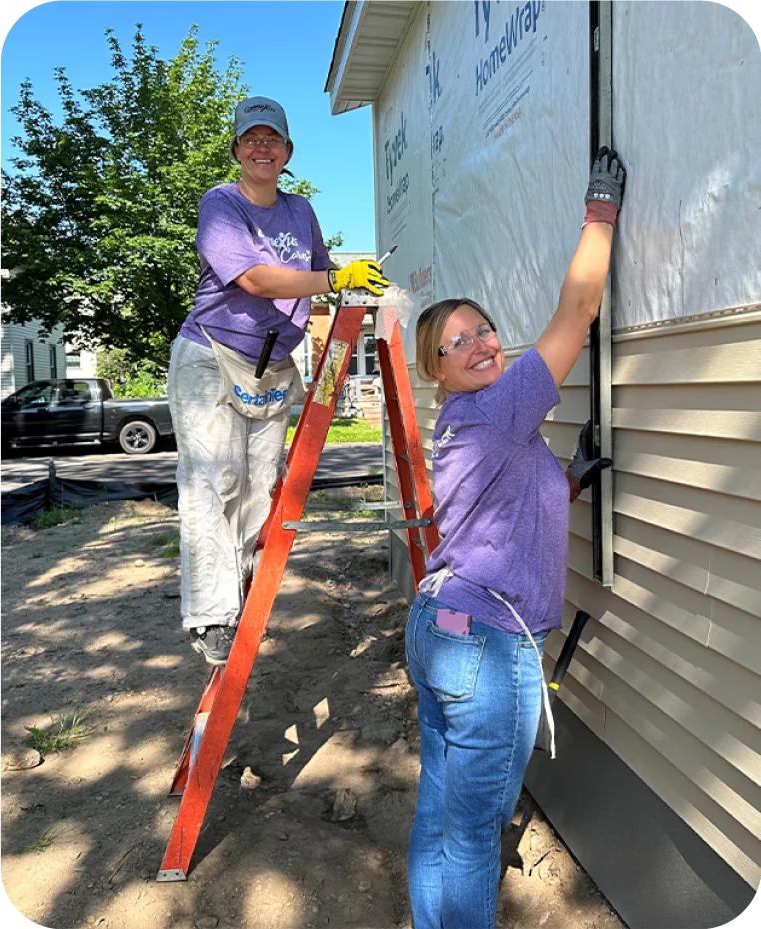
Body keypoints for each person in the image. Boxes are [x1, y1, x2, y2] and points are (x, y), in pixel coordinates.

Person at [405, 147, 626, 929]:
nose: (483, 343)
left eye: (485, 329)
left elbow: (499, 501)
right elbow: (577, 313)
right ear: (438, 368)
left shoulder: (476, 421)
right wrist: (599, 210)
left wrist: (563, 480)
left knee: (441, 814)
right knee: (471, 835)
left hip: (443, 627)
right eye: (458, 342)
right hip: (487, 648)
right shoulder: (498, 407)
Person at [167, 96, 389, 666]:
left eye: (273, 139)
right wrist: (336, 274)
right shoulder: (220, 204)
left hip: (272, 365)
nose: (262, 147)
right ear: (238, 150)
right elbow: (260, 280)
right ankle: (210, 614)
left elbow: (313, 282)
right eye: (251, 139)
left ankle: (234, 591)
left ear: (288, 152)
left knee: (257, 487)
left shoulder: (301, 211)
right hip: (211, 356)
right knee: (211, 485)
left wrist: (354, 294)